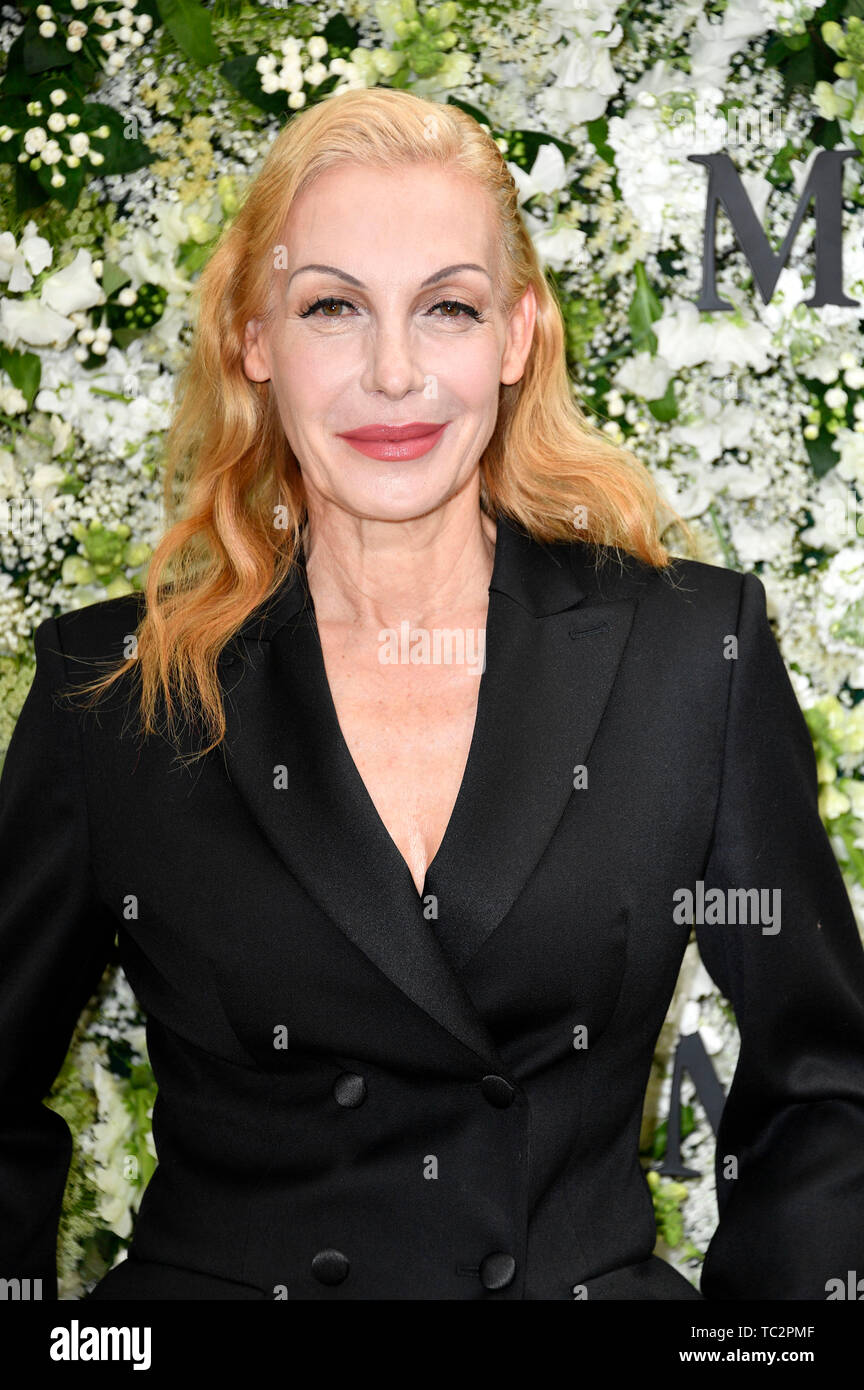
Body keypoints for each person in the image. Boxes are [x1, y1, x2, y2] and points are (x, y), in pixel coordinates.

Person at [2, 86, 864, 1303]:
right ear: (255, 337)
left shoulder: (690, 655)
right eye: (333, 308)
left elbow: (830, 1082)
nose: (395, 374)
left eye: (446, 308)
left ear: (515, 335)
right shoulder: (113, 690)